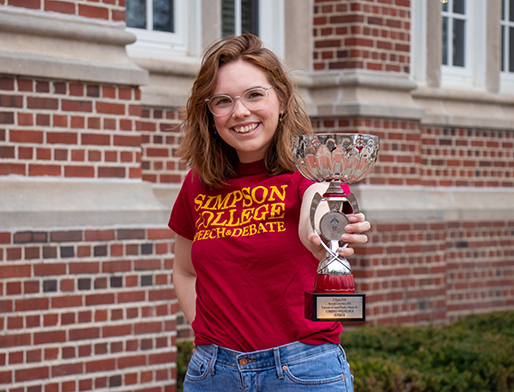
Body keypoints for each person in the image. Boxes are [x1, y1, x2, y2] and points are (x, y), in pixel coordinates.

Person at [168, 34, 371, 391]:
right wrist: (204, 333)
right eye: (223, 101)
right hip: (212, 374)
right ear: (210, 113)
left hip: (302, 372)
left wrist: (326, 231)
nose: (240, 111)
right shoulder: (198, 183)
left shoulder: (310, 175)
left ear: (280, 100)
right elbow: (185, 271)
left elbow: (316, 218)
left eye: (254, 95)